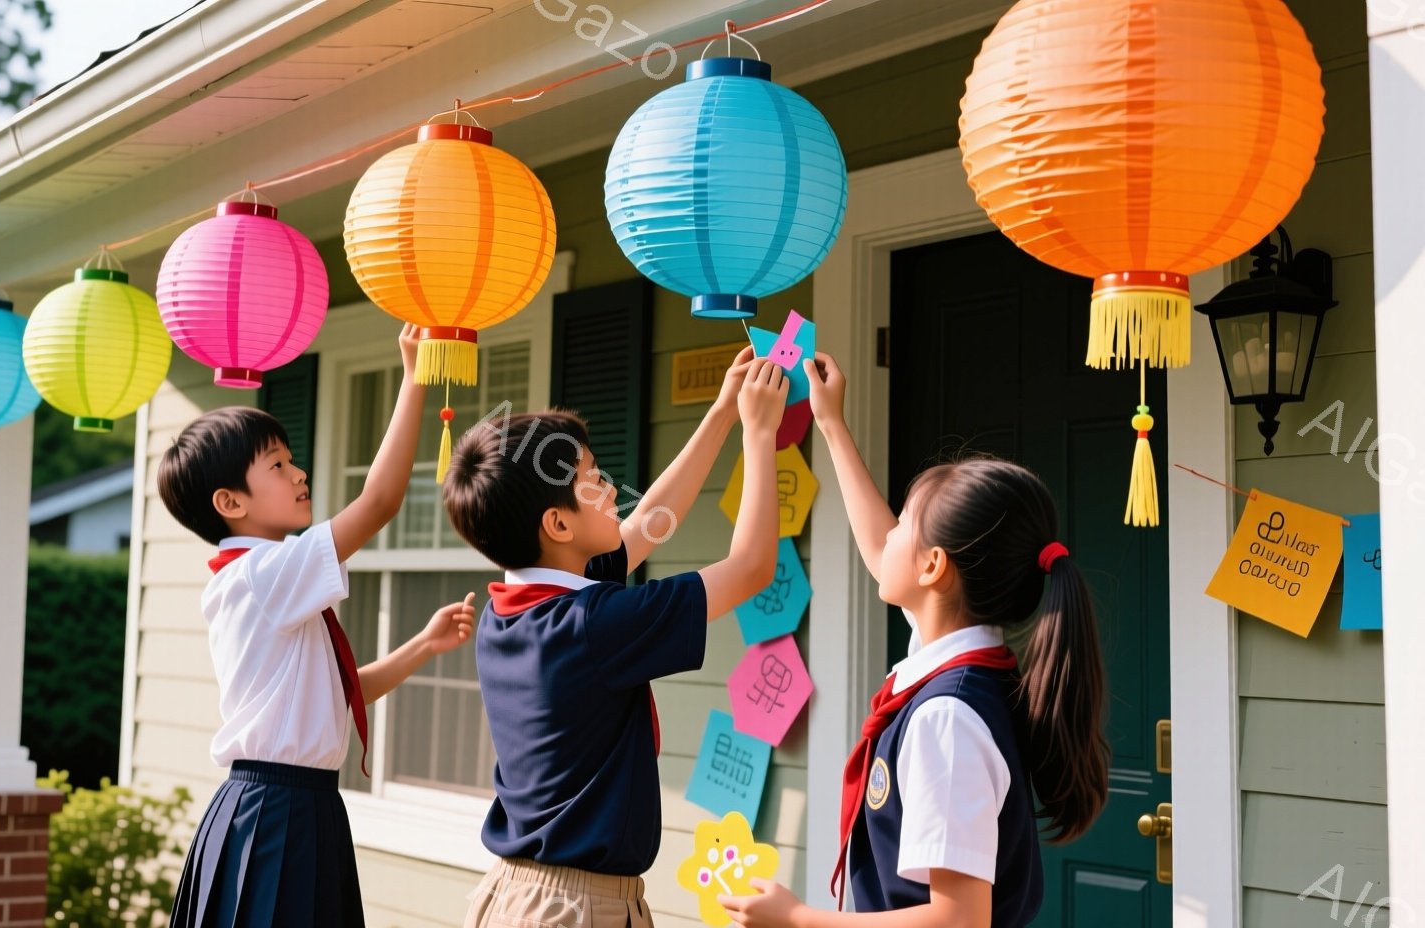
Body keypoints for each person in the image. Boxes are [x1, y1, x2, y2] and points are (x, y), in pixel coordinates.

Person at [720, 351, 1110, 928]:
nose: (890, 533)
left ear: (932, 567)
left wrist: (799, 918)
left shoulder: (944, 718)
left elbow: (958, 921)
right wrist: (830, 423)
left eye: (903, 520)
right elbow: (884, 554)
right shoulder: (965, 664)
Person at [441, 350, 790, 928]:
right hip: (573, 907)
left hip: (526, 894)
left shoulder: (518, 610)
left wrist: (723, 412)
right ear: (557, 526)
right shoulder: (589, 624)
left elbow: (650, 523)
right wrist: (759, 432)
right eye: (595, 479)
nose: (610, 487)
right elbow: (751, 567)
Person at [157, 324, 476, 927]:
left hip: (294, 805)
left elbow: (335, 693)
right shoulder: (264, 573)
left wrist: (422, 646)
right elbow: (379, 502)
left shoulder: (265, 577)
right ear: (231, 504)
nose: (299, 473)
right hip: (277, 808)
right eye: (278, 465)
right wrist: (413, 381)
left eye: (291, 460)